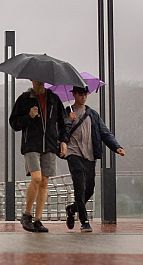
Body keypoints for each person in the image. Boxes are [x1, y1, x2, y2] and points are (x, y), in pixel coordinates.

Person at [59, 86, 125, 232]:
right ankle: (84, 222)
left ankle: (71, 209)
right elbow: (60, 132)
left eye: (85, 94)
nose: (83, 97)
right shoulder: (66, 112)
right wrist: (68, 120)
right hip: (73, 154)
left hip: (89, 156)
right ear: (74, 94)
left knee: (89, 189)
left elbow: (105, 133)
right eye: (81, 94)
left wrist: (116, 147)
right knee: (79, 188)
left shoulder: (92, 114)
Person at [9, 80, 67, 233]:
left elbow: (63, 122)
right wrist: (29, 116)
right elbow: (14, 123)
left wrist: (63, 141)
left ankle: (38, 220)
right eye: (36, 79)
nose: (39, 82)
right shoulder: (24, 99)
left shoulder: (54, 99)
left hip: (49, 145)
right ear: (31, 80)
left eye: (41, 79)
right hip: (31, 145)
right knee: (36, 178)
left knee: (45, 182)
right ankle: (27, 215)